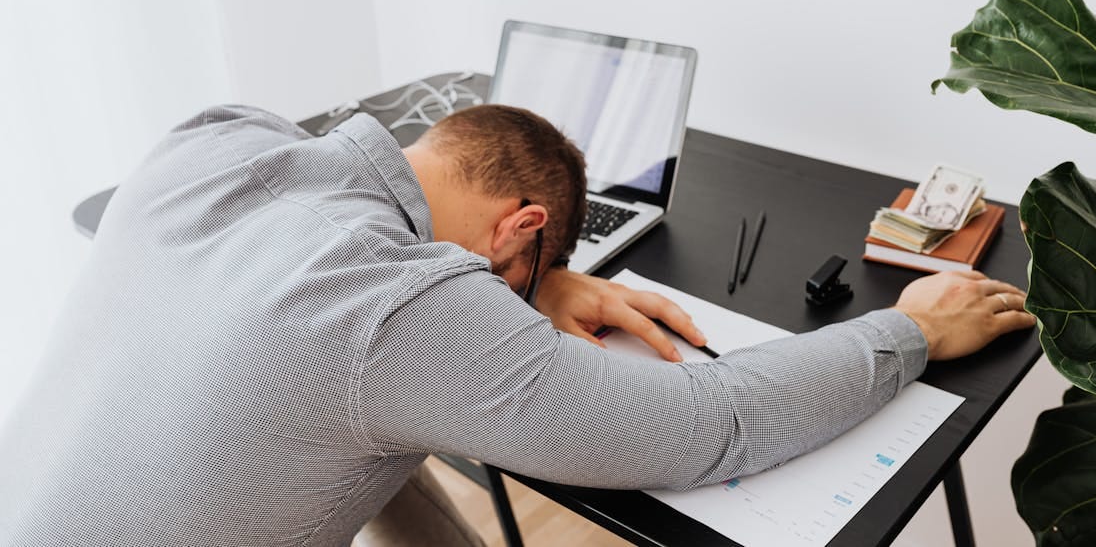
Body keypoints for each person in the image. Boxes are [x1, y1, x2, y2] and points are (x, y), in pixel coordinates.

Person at [0, 104, 1035, 547]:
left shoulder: (213, 142)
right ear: (524, 227)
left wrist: (524, 286)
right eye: (527, 263)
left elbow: (336, 333)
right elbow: (706, 427)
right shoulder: (389, 313)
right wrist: (908, 331)